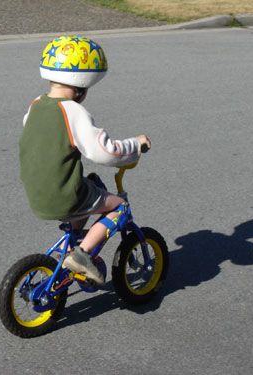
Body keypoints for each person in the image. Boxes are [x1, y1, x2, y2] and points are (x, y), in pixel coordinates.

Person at [19, 36, 151, 285]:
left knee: (93, 183)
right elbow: (105, 152)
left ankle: (74, 241)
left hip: (37, 193)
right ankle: (82, 254)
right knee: (119, 207)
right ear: (81, 85)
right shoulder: (73, 112)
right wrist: (136, 145)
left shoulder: (36, 105)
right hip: (64, 196)